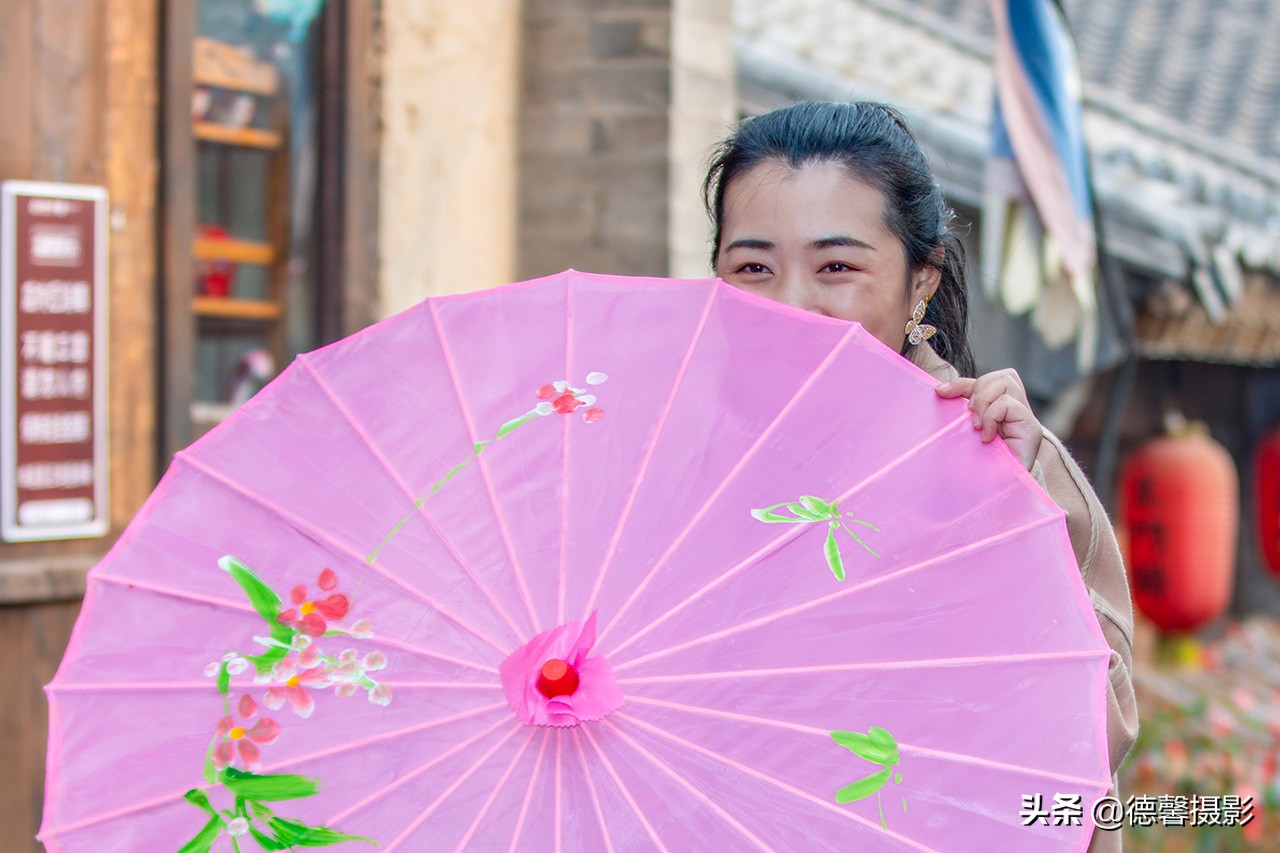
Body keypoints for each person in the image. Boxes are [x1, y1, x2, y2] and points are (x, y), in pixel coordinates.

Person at [704, 100, 1138, 851]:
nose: (793, 303)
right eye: (753, 267)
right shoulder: (681, 465)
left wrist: (1011, 514)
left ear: (921, 282)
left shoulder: (995, 464)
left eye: (836, 267)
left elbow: (1085, 731)